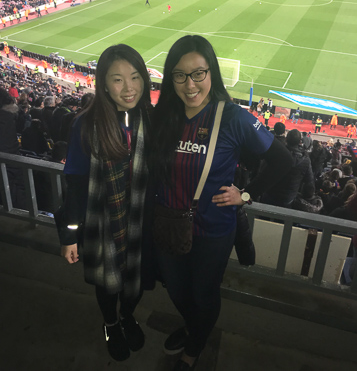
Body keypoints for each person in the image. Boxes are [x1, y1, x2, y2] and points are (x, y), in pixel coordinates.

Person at [150, 35, 292, 370]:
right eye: (180, 75)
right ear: (171, 78)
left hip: (213, 228)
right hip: (168, 222)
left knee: (203, 294)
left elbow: (283, 160)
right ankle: (193, 326)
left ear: (212, 73)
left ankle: (194, 346)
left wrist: (244, 194)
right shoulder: (164, 115)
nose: (190, 84)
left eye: (198, 73)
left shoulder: (232, 117)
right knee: (176, 291)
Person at [55, 44, 152, 362]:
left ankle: (127, 315)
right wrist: (70, 234)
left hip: (139, 220)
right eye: (118, 79)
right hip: (103, 222)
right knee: (108, 284)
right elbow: (76, 183)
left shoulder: (147, 119)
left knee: (134, 285)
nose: (129, 88)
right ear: (103, 83)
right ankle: (111, 323)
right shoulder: (85, 125)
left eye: (135, 77)